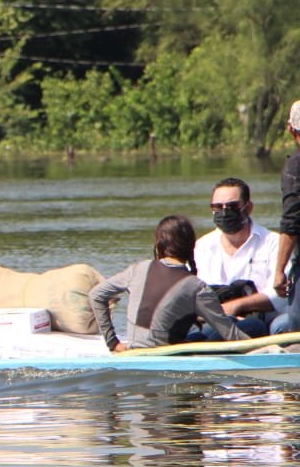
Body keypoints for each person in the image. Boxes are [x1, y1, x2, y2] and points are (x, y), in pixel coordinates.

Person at [89, 215, 249, 352]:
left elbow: (96, 295)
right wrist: (269, 350)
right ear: (191, 246)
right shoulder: (197, 287)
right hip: (164, 356)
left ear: (159, 244)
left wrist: (113, 343)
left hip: (133, 351)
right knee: (253, 325)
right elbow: (231, 334)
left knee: (200, 334)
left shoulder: (138, 269)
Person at [191, 178, 277, 338]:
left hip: (265, 322)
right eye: (217, 207)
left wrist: (236, 306)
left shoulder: (273, 242)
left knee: (282, 325)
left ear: (248, 207)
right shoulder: (201, 246)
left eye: (232, 206)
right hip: (216, 321)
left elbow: (279, 295)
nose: (224, 212)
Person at [272, 100, 300, 335]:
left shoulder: (296, 166)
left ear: (291, 129)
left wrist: (280, 270)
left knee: (295, 329)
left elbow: (292, 221)